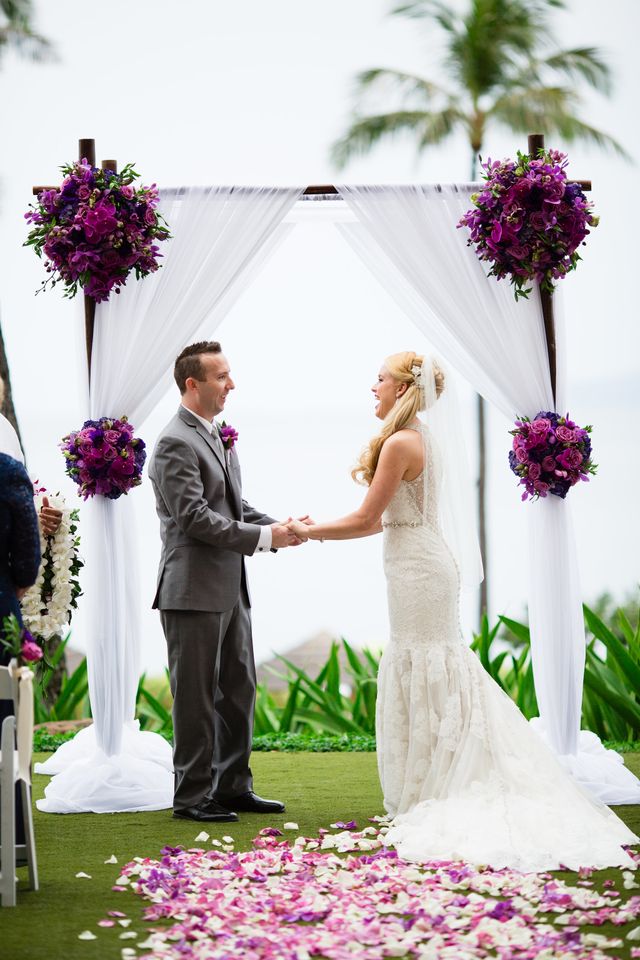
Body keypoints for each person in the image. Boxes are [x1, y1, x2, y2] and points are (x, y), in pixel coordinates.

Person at [288, 351, 638, 871]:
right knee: (438, 660)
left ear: (403, 388)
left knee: (429, 659)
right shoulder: (422, 437)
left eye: (380, 379)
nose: (373, 387)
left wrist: (306, 530)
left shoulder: (402, 442)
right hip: (419, 560)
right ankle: (440, 773)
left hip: (417, 568)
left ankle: (442, 779)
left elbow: (366, 519)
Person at [149, 341, 306, 824]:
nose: (231, 384)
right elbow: (195, 518)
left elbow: (232, 508)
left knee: (239, 690)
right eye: (221, 376)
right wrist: (265, 537)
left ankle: (234, 787)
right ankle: (192, 797)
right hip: (191, 591)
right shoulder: (175, 441)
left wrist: (284, 527)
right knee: (196, 698)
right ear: (192, 384)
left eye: (229, 375)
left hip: (230, 586)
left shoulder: (217, 436)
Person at [0, 437, 42, 851]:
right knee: (5, 725)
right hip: (0, 614)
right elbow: (28, 559)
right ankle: (9, 838)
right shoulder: (8, 471)